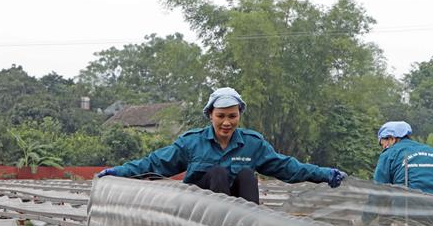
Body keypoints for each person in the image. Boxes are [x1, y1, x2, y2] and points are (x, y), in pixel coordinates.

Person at [97, 87, 347, 204]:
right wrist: (118, 171)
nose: (227, 122)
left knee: (248, 174)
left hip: (238, 213)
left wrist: (324, 174)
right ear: (210, 115)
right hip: (199, 211)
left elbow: (288, 168)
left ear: (239, 115)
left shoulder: (252, 144)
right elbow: (154, 164)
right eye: (221, 116)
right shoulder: (192, 142)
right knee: (216, 172)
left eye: (232, 116)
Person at [373, 121, 433, 200]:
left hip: (404, 212)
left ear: (391, 139)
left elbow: (378, 193)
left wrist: (366, 219)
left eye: (382, 144)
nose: (383, 147)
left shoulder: (388, 154)